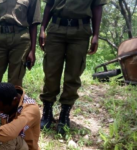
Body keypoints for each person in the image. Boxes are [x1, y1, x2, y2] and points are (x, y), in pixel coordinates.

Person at [38, 0, 107, 135]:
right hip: (56, 28)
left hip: (80, 31)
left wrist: (96, 35)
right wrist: (42, 29)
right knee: (51, 72)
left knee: (73, 73)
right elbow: (49, 5)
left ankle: (64, 114)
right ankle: (47, 111)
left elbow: (97, 7)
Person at [0, 0, 42, 98]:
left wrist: (32, 50)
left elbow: (33, 24)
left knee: (15, 82)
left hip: (20, 40)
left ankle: (12, 111)